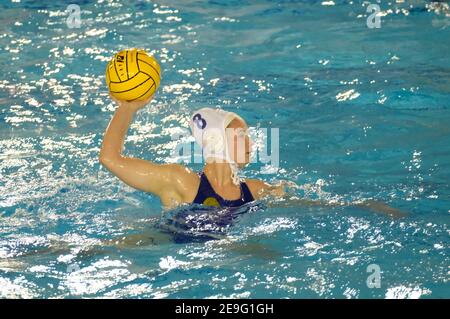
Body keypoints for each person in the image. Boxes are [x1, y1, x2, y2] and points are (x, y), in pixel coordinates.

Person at [99, 95, 407, 218]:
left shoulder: (254, 190)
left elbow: (313, 205)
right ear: (218, 140)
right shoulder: (179, 181)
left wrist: (365, 205)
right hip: (165, 247)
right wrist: (127, 107)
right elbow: (111, 159)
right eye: (242, 135)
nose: (251, 142)